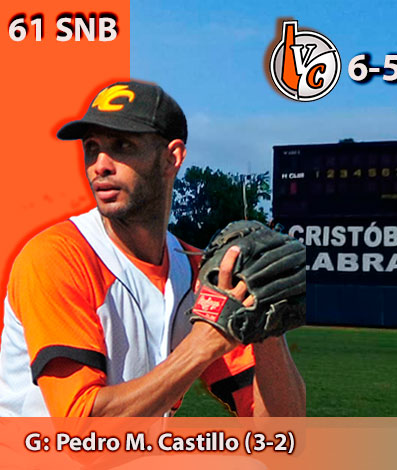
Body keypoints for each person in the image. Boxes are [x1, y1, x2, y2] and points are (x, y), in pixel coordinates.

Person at [0, 80, 305, 417]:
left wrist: (268, 331)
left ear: (171, 158)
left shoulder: (197, 272)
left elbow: (280, 432)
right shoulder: (57, 257)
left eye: (122, 145)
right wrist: (201, 346)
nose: (100, 164)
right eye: (91, 147)